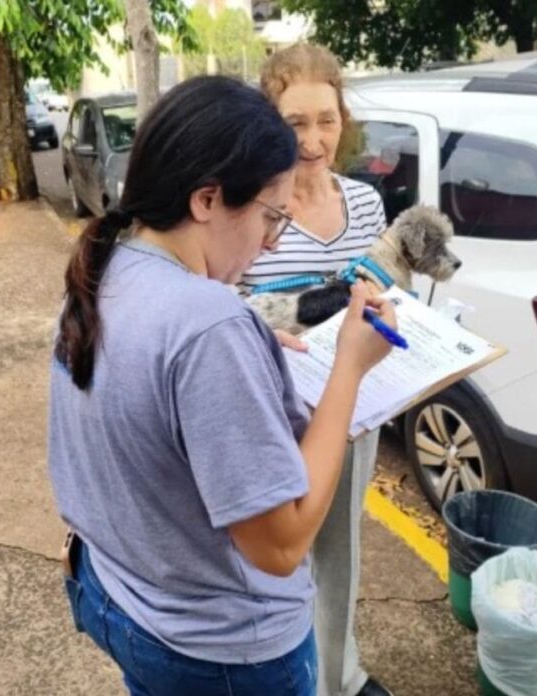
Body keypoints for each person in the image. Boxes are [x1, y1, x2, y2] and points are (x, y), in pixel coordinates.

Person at [47, 75, 395, 696]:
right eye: (270, 216)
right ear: (207, 199)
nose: (271, 243)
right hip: (220, 653)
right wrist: (349, 366)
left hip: (118, 597)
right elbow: (281, 546)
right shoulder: (209, 324)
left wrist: (245, 354)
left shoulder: (105, 268)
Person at [240, 44, 393, 696]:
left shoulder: (366, 205)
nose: (312, 141)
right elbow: (222, 301)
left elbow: (385, 291)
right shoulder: (251, 206)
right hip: (275, 411)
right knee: (277, 553)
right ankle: (290, 673)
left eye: (326, 121)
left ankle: (337, 677)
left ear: (342, 120)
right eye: (295, 123)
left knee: (340, 549)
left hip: (354, 404)